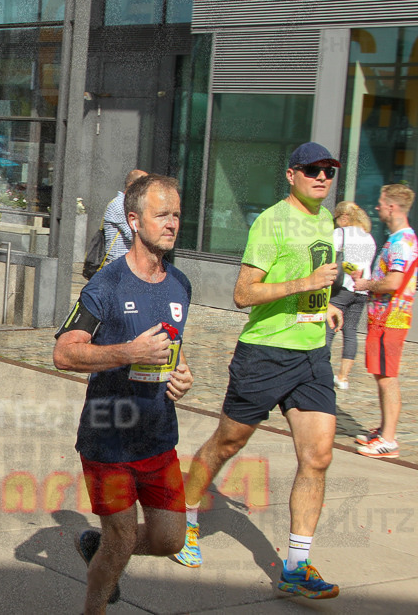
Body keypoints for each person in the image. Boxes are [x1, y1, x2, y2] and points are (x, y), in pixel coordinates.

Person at [174, 142, 343, 600]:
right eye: (313, 170)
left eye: (329, 170)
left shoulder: (325, 220)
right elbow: (244, 294)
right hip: (265, 354)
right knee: (228, 442)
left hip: (312, 355)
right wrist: (304, 285)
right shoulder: (271, 221)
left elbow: (311, 281)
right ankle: (184, 514)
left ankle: (296, 564)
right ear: (292, 174)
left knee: (318, 457)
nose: (322, 177)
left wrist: (320, 307)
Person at [53, 174, 193, 615]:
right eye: (161, 215)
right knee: (122, 538)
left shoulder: (180, 285)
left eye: (175, 215)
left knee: (171, 539)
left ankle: (99, 550)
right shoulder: (106, 286)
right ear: (133, 220)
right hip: (108, 439)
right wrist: (127, 353)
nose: (171, 224)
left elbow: (174, 348)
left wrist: (183, 376)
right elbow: (64, 353)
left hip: (157, 438)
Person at [352, 184, 418, 459]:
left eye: (380, 203)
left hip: (390, 319)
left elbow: (393, 281)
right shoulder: (400, 239)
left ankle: (388, 440)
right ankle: (384, 430)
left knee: (387, 379)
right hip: (385, 318)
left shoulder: (402, 242)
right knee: (382, 376)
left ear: (392, 207)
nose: (377, 207)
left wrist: (367, 283)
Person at [325, 201, 376, 391]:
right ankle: (343, 377)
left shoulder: (342, 234)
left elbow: (332, 258)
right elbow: (365, 265)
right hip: (362, 291)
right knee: (351, 331)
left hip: (343, 289)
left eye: (337, 218)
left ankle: (320, 372)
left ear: (344, 217)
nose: (336, 222)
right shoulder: (369, 237)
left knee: (328, 329)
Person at [102, 169, 148, 265]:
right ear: (131, 185)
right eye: (143, 185)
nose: (146, 190)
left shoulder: (130, 205)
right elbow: (133, 235)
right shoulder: (120, 205)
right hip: (117, 263)